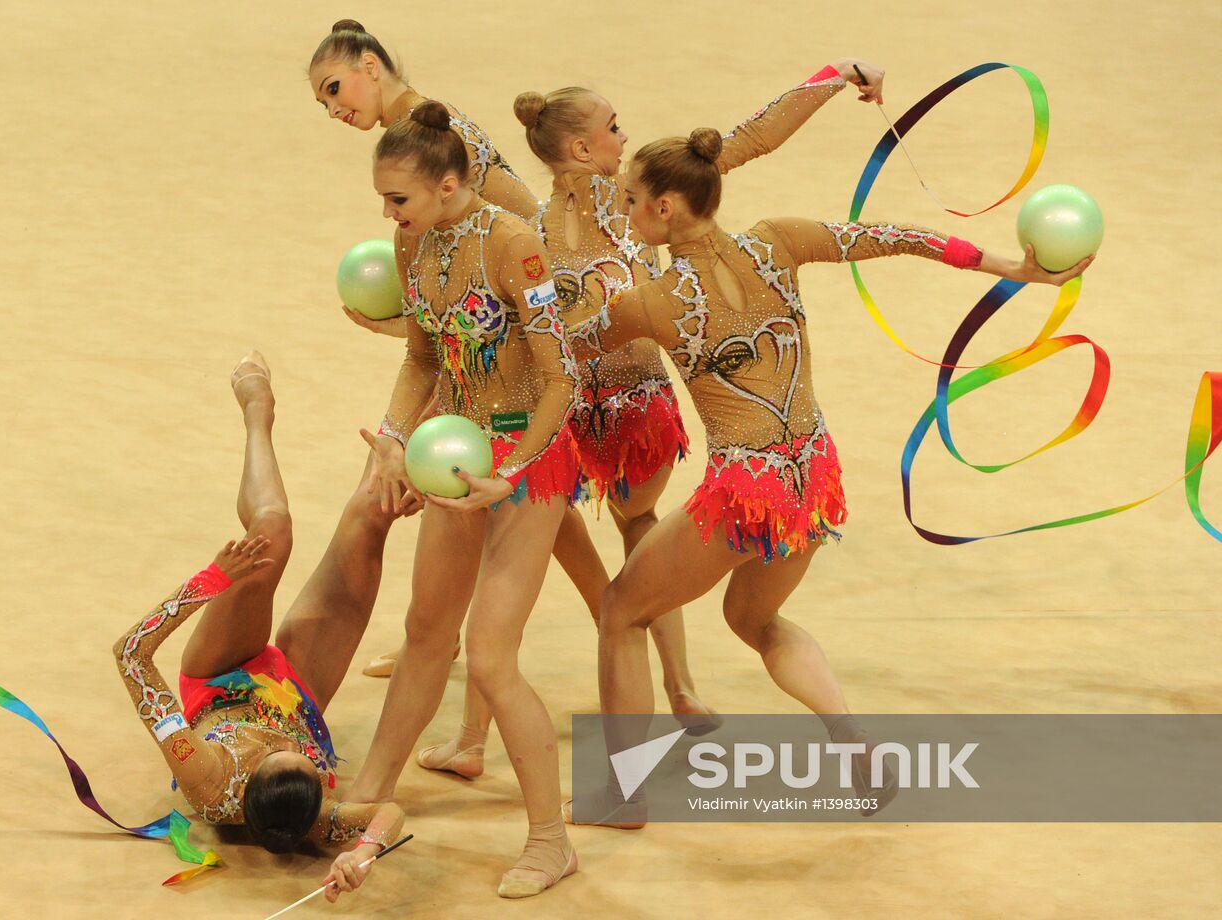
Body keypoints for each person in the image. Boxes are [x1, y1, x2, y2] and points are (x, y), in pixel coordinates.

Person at [565, 129, 1093, 824]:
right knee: (753, 619)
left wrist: (576, 294)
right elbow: (894, 236)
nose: (626, 217)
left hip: (744, 490)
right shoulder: (775, 240)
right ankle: (851, 740)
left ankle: (622, 795)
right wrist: (1010, 267)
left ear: (666, 208)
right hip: (812, 476)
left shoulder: (654, 302)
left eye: (632, 203)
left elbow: (563, 343)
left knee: (621, 610)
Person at [414, 60, 887, 776]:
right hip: (619, 407)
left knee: (523, 553)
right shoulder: (635, 200)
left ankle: (495, 737)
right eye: (612, 128)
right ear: (580, 148)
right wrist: (837, 74)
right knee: (633, 542)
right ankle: (674, 690)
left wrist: (409, 105)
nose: (623, 135)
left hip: (587, 408)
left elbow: (474, 155)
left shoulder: (535, 215)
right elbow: (751, 138)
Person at [305, 18, 608, 683]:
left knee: (463, 484)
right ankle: (604, 622)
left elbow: (520, 229)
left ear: (371, 65)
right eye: (322, 102)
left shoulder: (438, 136)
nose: (333, 108)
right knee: (532, 511)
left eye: (335, 87)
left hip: (517, 336)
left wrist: (491, 325)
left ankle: (443, 637)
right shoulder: (414, 133)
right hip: (484, 328)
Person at [345, 101, 580, 898]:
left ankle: (551, 841)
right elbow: (421, 359)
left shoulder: (518, 248)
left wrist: (509, 474)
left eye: (398, 199)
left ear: (450, 186)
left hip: (528, 465)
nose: (386, 214)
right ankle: (369, 792)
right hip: (456, 458)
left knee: (489, 655)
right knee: (423, 631)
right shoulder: (414, 248)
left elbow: (561, 380)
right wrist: (390, 436)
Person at [113, 352, 402, 902]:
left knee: (272, 534)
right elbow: (387, 812)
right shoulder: (320, 820)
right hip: (297, 693)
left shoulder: (208, 779)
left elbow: (130, 656)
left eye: (277, 751)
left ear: (246, 780)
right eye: (306, 758)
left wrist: (210, 580)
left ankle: (256, 411)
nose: (283, 743)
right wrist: (364, 853)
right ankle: (425, 399)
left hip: (221, 675)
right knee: (375, 516)